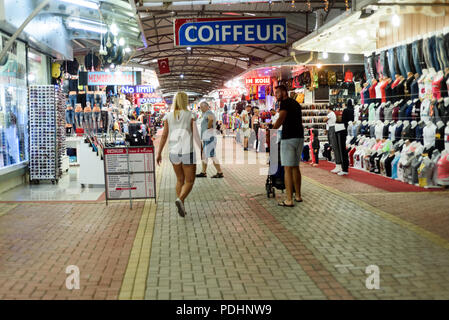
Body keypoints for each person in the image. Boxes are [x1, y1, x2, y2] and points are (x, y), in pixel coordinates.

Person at [156, 92, 201, 217]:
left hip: (174, 152)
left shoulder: (168, 116)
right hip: (188, 151)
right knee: (190, 181)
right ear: (185, 101)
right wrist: (202, 149)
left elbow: (164, 135)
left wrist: (159, 153)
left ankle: (181, 204)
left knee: (180, 179)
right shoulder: (190, 115)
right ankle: (180, 200)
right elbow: (195, 134)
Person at [272, 85, 304, 207]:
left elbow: (281, 118)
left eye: (278, 92)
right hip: (299, 137)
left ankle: (289, 199)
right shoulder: (295, 103)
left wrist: (273, 130)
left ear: (284, 92)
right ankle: (298, 196)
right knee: (296, 167)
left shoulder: (284, 104)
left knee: (287, 168)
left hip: (289, 137)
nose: (276, 95)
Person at [196, 101, 224, 179]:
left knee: (211, 155)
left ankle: (219, 172)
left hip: (209, 137)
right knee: (204, 155)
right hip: (207, 137)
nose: (201, 109)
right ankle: (203, 172)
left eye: (201, 107)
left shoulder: (208, 112)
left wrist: (208, 128)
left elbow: (211, 119)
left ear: (206, 107)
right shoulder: (206, 113)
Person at [336, 100, 354, 175]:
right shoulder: (353, 110)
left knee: (342, 150)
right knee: (344, 150)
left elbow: (343, 120)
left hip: (343, 131)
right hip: (351, 133)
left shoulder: (346, 110)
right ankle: (344, 168)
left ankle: (344, 169)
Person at [325, 104, 341, 173]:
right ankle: (338, 165)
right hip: (331, 129)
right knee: (334, 147)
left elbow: (324, 119)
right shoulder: (332, 114)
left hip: (332, 129)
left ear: (329, 109)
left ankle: (338, 165)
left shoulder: (331, 113)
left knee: (335, 147)